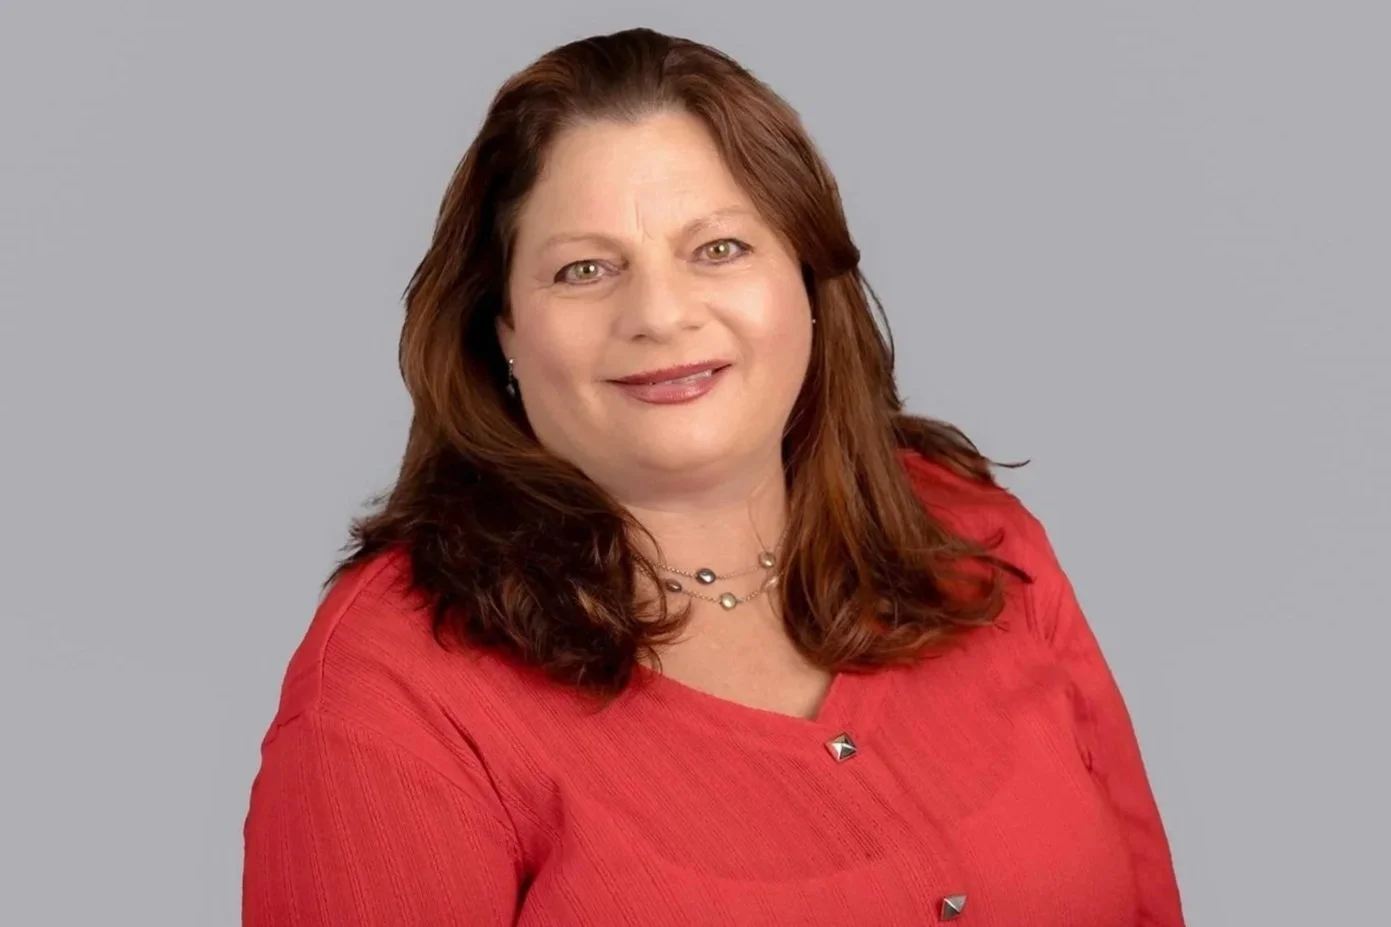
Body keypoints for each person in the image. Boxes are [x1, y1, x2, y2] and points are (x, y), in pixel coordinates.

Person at [241, 26, 1184, 926]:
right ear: (503, 332)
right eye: (582, 269)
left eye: (718, 249)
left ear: (809, 283)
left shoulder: (974, 537)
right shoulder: (389, 696)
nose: (659, 313)